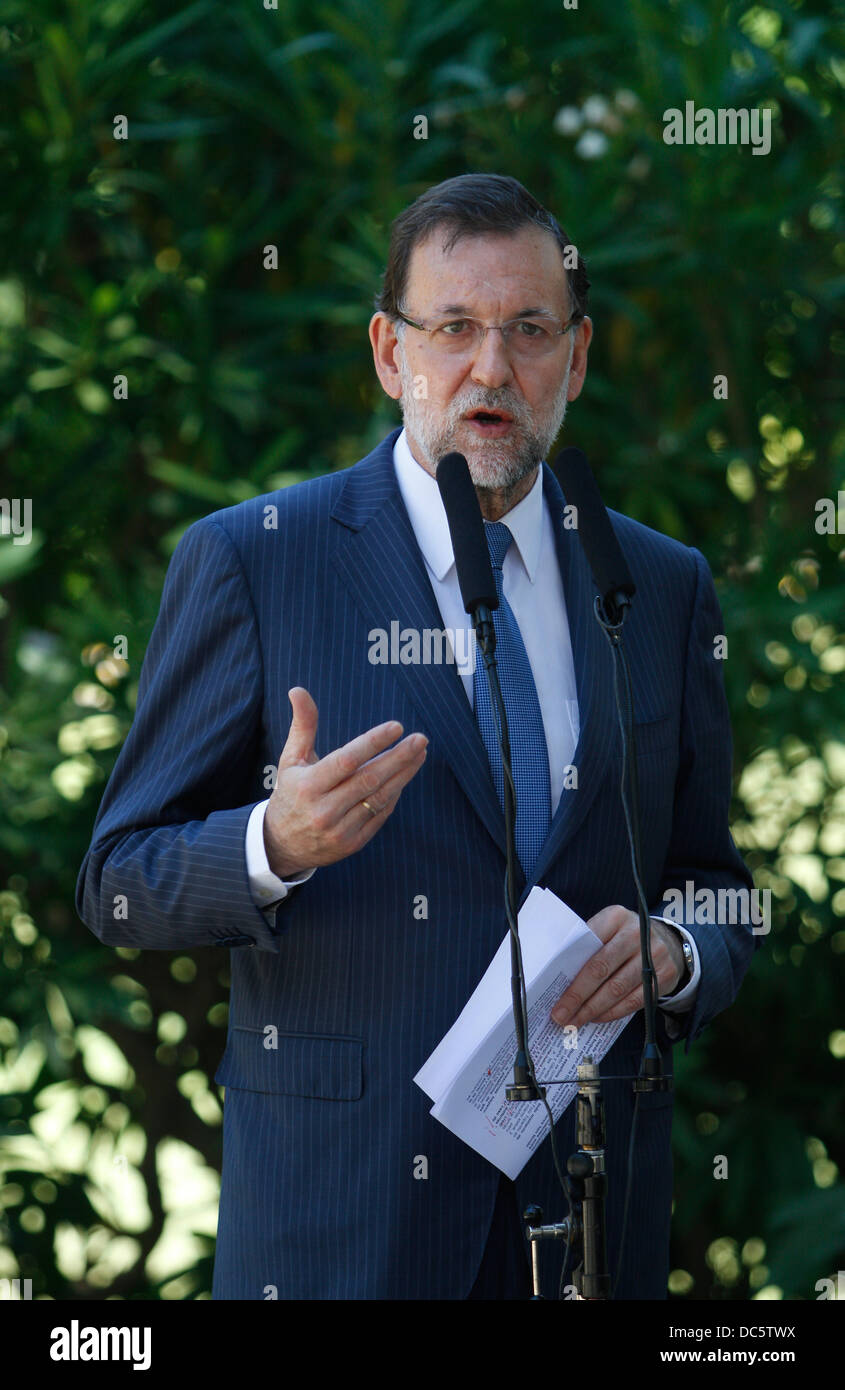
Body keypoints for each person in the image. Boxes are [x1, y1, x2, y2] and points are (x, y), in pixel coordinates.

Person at [77, 172, 756, 1301]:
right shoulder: (256, 560)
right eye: (453, 329)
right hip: (343, 1234)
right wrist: (269, 845)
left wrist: (677, 954)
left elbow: (712, 885)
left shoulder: (658, 584)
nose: (490, 369)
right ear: (391, 355)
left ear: (575, 361)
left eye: (528, 331)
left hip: (586, 1223)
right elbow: (115, 882)